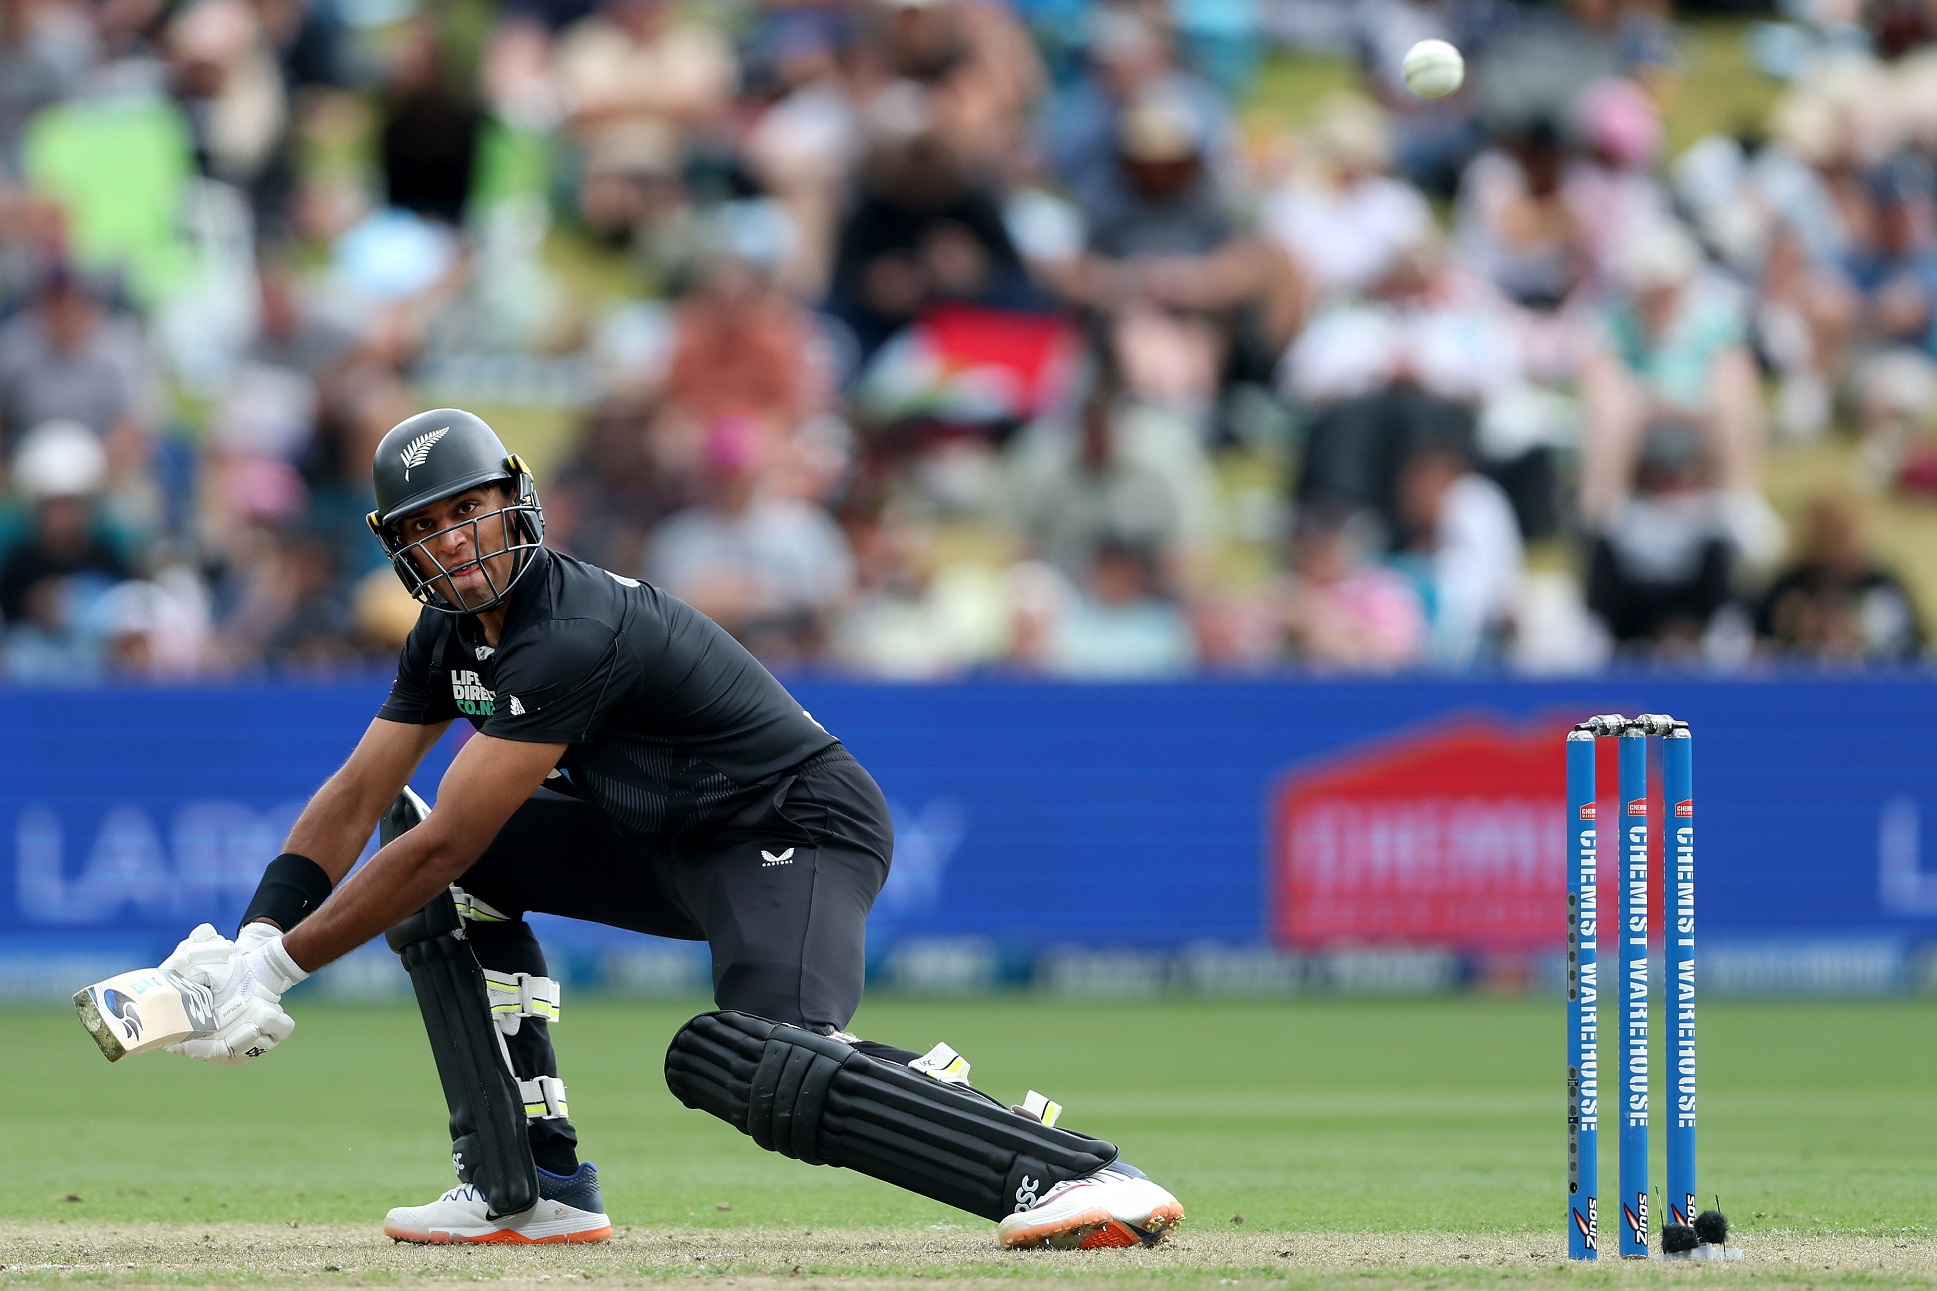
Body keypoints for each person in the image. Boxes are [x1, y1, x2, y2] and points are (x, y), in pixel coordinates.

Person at [153, 408, 1185, 1251]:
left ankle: (1067, 1170)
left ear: (515, 505)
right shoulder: (448, 635)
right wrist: (251, 934)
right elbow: (355, 789)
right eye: (424, 527)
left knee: (749, 1057)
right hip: (666, 838)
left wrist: (280, 969)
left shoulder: (569, 630)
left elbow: (448, 845)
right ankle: (530, 1184)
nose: (452, 545)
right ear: (397, 547)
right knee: (423, 844)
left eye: (467, 511)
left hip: (794, 827)